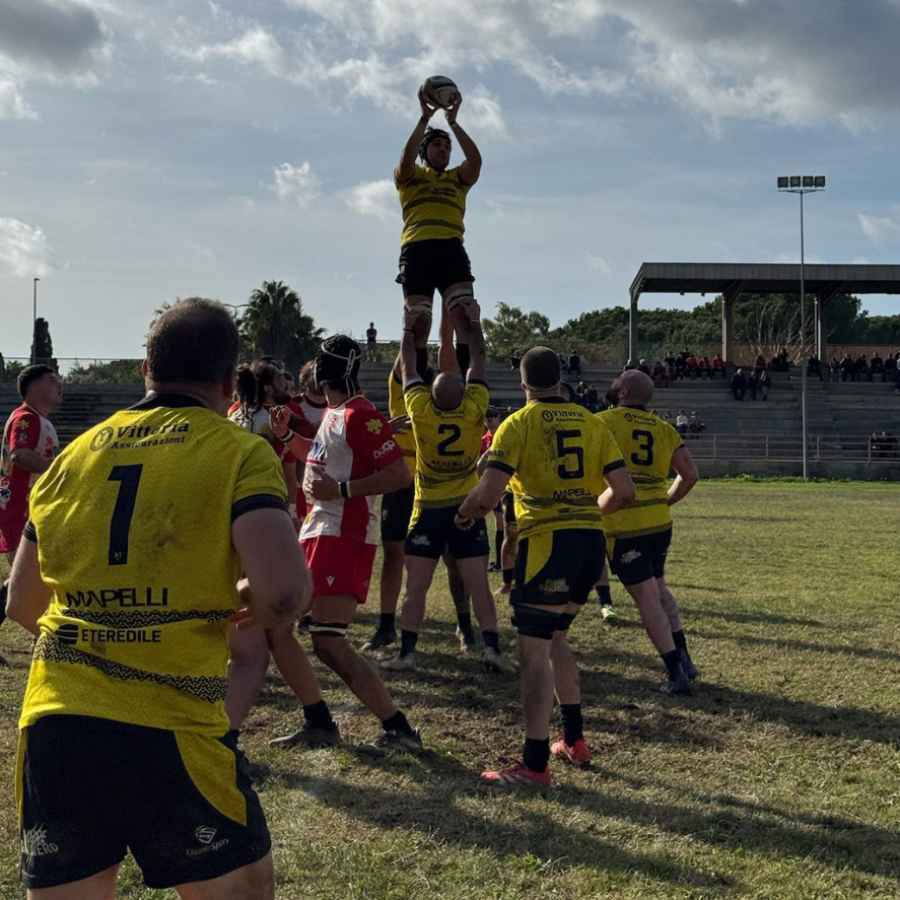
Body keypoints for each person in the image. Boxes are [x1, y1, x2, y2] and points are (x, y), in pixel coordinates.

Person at [7, 298, 309, 898]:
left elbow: (20, 602)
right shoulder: (238, 450)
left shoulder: (73, 456)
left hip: (56, 723)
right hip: (172, 726)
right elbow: (283, 596)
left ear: (146, 368)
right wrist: (240, 597)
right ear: (229, 382)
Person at [456, 346, 634, 786]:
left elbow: (486, 497)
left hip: (548, 544)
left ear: (523, 383)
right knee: (556, 637)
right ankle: (573, 739)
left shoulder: (519, 423)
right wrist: (585, 512)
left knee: (533, 651)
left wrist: (463, 514)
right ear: (560, 379)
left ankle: (534, 765)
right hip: (590, 544)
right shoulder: (592, 422)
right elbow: (624, 491)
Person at [267, 336, 421, 756]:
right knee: (280, 628)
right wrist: (286, 437)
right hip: (320, 531)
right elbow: (321, 460)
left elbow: (400, 474)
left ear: (320, 370)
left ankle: (398, 728)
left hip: (342, 535)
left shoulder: (359, 414)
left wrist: (343, 491)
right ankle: (318, 720)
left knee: (327, 642)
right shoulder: (337, 412)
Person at [382, 304, 515, 674]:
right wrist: (474, 322)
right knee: (479, 585)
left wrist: (407, 329)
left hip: (428, 509)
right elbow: (479, 360)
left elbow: (409, 367)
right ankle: (492, 649)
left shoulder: (420, 409)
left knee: (416, 587)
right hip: (465, 510)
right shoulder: (475, 407)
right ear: (463, 393)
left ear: (431, 394)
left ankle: (407, 653)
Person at [600, 370, 700, 695]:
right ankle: (685, 660)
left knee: (646, 597)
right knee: (659, 589)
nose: (613, 384)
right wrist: (664, 499)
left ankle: (676, 674)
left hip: (625, 524)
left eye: (617, 382)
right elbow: (690, 475)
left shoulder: (602, 422)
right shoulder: (664, 428)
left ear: (623, 392)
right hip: (659, 522)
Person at [395, 85, 482, 377]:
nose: (443, 149)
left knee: (465, 316)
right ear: (425, 151)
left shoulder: (458, 178)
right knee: (419, 322)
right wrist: (425, 119)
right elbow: (405, 161)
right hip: (417, 249)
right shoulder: (412, 176)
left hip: (451, 249)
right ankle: (417, 385)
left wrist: (453, 122)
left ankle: (468, 385)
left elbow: (476, 161)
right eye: (437, 145)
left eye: (447, 147)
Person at [0, 365, 62, 565]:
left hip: (32, 507)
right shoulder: (26, 418)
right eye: (51, 380)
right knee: (26, 573)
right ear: (34, 389)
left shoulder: (39, 419)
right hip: (22, 509)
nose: (59, 383)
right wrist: (58, 472)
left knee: (32, 572)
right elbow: (19, 454)